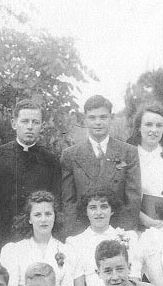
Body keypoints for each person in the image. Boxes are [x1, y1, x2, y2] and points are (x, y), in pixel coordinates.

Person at [0, 100, 61, 251]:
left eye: (35, 122)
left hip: (38, 240)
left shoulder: (51, 161)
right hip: (2, 238)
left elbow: (56, 205)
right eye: (25, 121)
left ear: (42, 126)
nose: (30, 126)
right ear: (14, 123)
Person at [60, 95, 141, 233]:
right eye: (92, 118)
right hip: (83, 231)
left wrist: (123, 234)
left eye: (103, 117)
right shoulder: (70, 155)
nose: (98, 122)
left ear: (111, 118)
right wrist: (76, 235)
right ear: (85, 119)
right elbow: (68, 202)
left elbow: (133, 199)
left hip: (117, 230)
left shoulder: (128, 152)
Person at [66, 187, 141, 286]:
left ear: (112, 210)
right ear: (86, 211)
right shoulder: (75, 242)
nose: (99, 212)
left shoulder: (128, 237)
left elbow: (134, 279)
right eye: (93, 208)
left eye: (104, 206)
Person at [0, 191, 74, 286]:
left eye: (48, 214)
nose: (43, 219)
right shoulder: (15, 250)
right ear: (29, 219)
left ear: (55, 217)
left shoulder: (66, 250)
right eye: (37, 215)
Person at [126, 101, 163, 229]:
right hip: (139, 226)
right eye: (148, 125)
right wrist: (145, 220)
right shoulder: (128, 156)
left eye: (159, 125)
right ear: (138, 127)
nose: (154, 130)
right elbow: (123, 198)